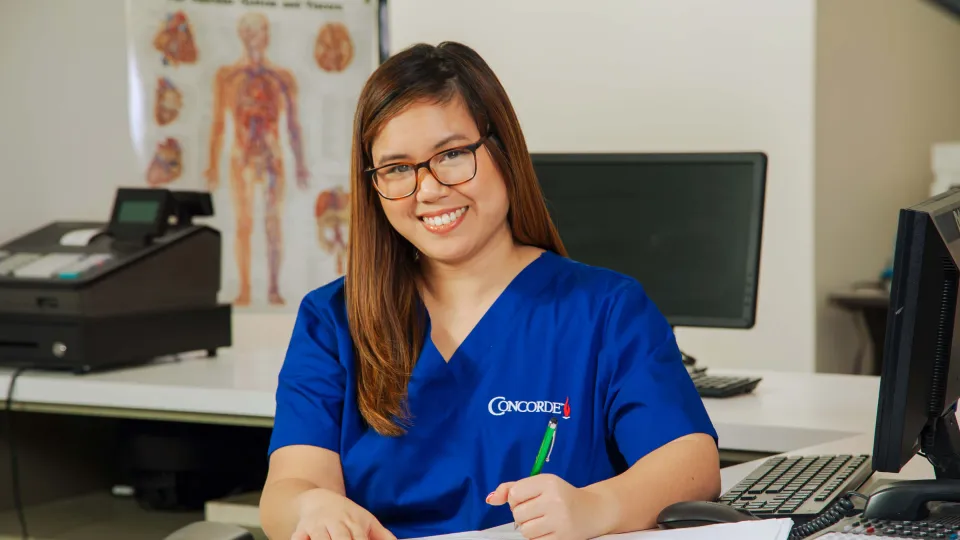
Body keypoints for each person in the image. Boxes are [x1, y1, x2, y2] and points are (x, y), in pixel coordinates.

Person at [260, 41, 720, 540]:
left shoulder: (605, 310)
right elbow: (291, 484)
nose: (429, 189)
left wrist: (596, 506)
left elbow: (690, 463)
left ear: (502, 150)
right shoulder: (333, 320)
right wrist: (311, 508)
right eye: (397, 169)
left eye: (452, 154)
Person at [205, 12, 309, 306]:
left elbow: (293, 124)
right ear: (242, 36)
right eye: (250, 32)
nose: (256, 38)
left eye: (261, 31)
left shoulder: (281, 78)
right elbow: (217, 123)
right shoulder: (227, 77)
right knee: (244, 223)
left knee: (273, 223)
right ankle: (246, 289)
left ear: (267, 36)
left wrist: (300, 162)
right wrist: (212, 163)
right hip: (242, 156)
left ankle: (274, 288)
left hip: (271, 154)